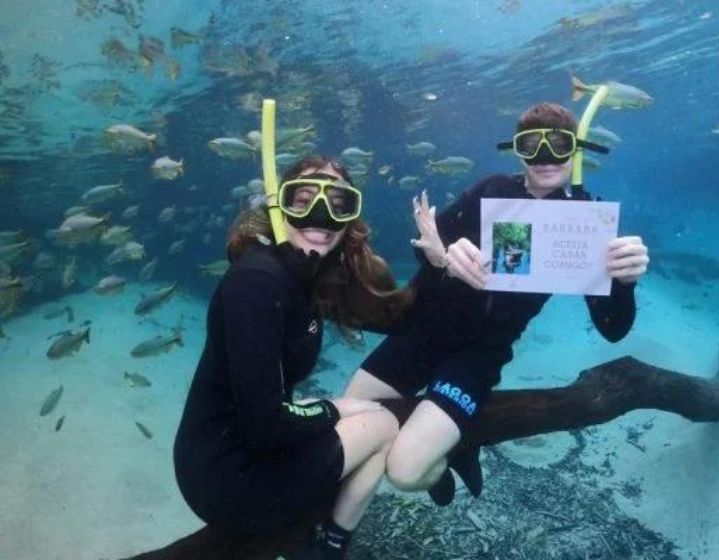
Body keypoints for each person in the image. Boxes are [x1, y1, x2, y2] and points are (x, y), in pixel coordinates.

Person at [345, 102, 650, 506]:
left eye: (557, 146)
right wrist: (439, 255)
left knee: (406, 471)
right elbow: (427, 253)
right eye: (532, 146)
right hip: (424, 333)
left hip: (479, 356)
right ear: (518, 151)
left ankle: (452, 447)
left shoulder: (584, 221)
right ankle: (440, 441)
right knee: (349, 416)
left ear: (574, 150)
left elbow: (613, 329)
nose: (544, 158)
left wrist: (624, 282)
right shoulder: (490, 191)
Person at [173, 155, 413, 559]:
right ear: (277, 206)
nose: (320, 217)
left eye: (339, 205)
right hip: (226, 476)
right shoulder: (258, 282)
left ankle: (313, 527)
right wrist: (333, 408)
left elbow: (391, 317)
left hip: (241, 446)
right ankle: (330, 547)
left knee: (354, 413)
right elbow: (266, 424)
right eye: (302, 201)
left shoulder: (305, 276)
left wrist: (440, 268)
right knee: (385, 423)